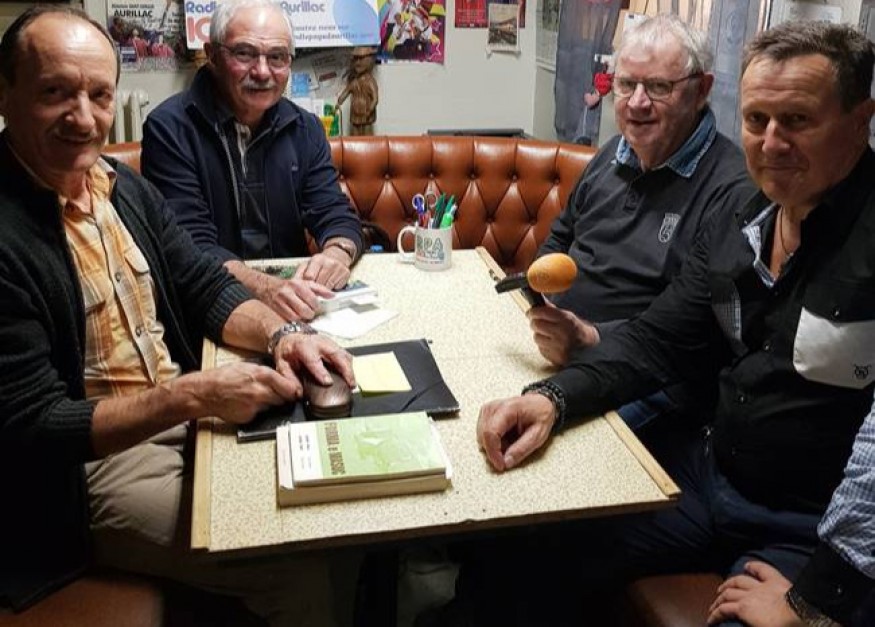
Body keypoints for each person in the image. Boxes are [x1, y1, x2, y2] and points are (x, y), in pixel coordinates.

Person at [466, 20, 875, 627]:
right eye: (757, 119)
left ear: (861, 119)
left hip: (806, 529)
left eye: (797, 121)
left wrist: (817, 600)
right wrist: (552, 397)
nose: (771, 143)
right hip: (711, 479)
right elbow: (660, 338)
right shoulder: (744, 216)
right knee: (523, 548)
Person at [0, 7, 357, 626]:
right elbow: (33, 428)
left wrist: (285, 333)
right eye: (55, 93)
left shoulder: (116, 186)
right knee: (294, 566)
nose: (83, 117)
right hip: (81, 477)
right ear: (6, 94)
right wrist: (193, 395)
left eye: (99, 95)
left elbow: (200, 283)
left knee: (336, 506)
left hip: (178, 417)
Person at [532, 14, 754, 428]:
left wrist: (591, 338)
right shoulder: (611, 154)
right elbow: (560, 236)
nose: (637, 102)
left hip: (649, 381)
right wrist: (542, 305)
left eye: (658, 87)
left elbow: (692, 328)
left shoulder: (732, 189)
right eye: (626, 84)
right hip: (557, 349)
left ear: (701, 90)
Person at [141, 0, 363, 323]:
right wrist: (264, 288)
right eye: (244, 54)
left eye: (277, 57)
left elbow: (333, 211)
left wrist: (336, 254)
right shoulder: (169, 129)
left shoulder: (305, 128)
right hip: (209, 303)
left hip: (295, 301)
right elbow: (189, 245)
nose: (262, 72)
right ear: (213, 55)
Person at [336, 46, 379, 136]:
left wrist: (370, 110)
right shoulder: (354, 81)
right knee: (355, 136)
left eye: (361, 59)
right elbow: (346, 92)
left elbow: (375, 99)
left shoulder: (370, 81)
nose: (358, 62)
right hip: (355, 114)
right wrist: (339, 102)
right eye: (356, 59)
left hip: (367, 114)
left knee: (368, 136)